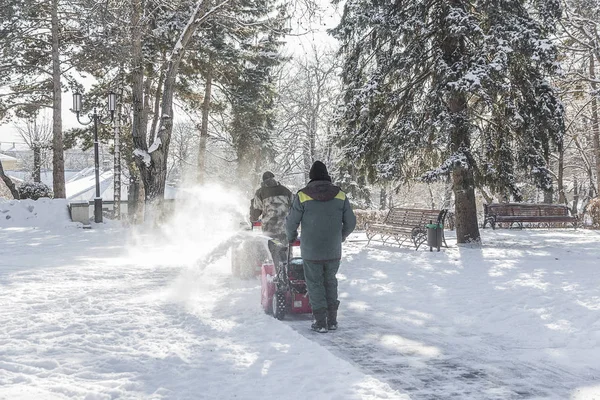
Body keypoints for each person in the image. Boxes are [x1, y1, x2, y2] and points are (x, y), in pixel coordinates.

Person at [286, 161, 356, 333]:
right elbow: (351, 222)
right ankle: (332, 321)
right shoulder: (340, 195)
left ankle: (320, 322)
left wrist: (291, 236)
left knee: (315, 284)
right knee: (330, 281)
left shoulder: (303, 195)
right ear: (327, 176)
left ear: (311, 177)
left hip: (311, 250)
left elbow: (291, 222)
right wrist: (341, 236)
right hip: (333, 250)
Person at [250, 171, 293, 268]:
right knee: (286, 249)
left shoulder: (260, 192)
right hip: (286, 227)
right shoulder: (286, 190)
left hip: (270, 229)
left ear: (263, 181)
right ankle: (288, 271)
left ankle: (278, 274)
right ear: (274, 178)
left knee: (274, 249)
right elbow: (295, 206)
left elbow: (256, 210)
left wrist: (253, 219)